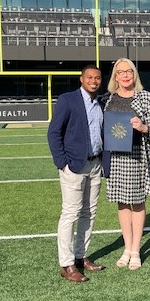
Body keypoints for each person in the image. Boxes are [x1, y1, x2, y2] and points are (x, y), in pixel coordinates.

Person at [47, 65, 105, 282]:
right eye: (89, 77)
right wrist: (62, 163)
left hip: (95, 163)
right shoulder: (67, 99)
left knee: (89, 212)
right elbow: (54, 133)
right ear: (81, 79)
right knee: (70, 214)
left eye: (97, 78)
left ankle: (81, 256)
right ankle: (67, 263)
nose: (94, 81)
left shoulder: (101, 103)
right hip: (74, 166)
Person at [103, 58, 150, 270]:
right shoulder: (108, 99)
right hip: (116, 156)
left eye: (129, 71)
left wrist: (144, 127)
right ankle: (127, 248)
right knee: (121, 202)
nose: (126, 75)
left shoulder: (146, 97)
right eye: (121, 72)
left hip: (137, 156)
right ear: (115, 76)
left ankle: (136, 250)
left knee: (137, 202)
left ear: (134, 74)